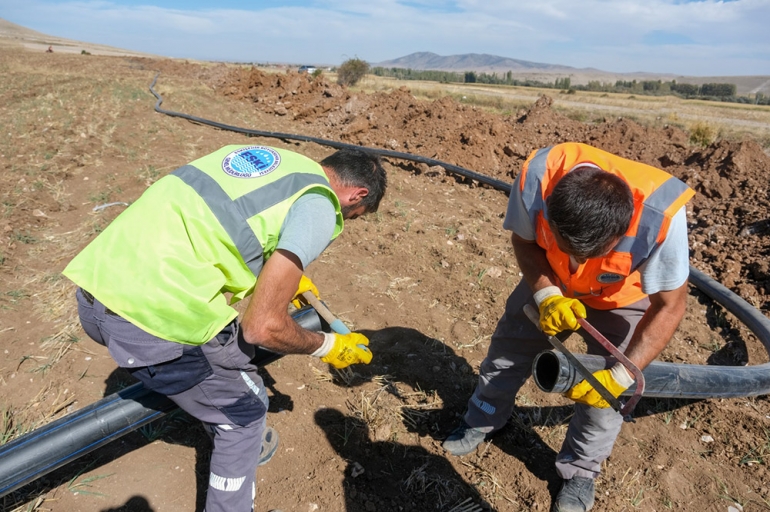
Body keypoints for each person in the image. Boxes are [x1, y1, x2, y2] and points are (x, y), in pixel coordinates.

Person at [62, 144, 387, 512]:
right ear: (357, 195)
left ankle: (210, 404)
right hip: (149, 321)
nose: (348, 219)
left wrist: (284, 277)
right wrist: (328, 345)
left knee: (231, 357)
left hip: (95, 290)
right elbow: (261, 328)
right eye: (355, 215)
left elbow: (228, 225)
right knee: (247, 411)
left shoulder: (276, 161)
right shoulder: (320, 205)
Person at [442, 142, 694, 512]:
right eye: (568, 246)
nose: (580, 261)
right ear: (552, 215)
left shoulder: (662, 216)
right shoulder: (537, 177)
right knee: (509, 350)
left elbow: (671, 306)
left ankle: (580, 470)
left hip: (620, 298)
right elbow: (523, 241)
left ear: (621, 230)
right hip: (552, 279)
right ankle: (482, 417)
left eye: (592, 254)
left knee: (605, 395)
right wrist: (547, 295)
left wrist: (623, 374)